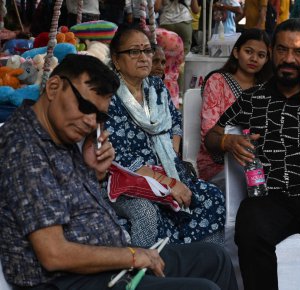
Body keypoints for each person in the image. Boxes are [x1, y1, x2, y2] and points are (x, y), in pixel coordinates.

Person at [0, 54, 238, 290]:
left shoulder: (59, 136)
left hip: (107, 263)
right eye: (85, 107)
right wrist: (132, 256)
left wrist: (92, 174)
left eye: (100, 116)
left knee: (214, 258)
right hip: (67, 280)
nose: (91, 122)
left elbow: (71, 205)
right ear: (53, 87)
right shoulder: (25, 146)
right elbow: (53, 255)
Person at [205, 19, 300, 290]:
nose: (289, 59)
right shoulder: (254, 98)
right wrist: (227, 142)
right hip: (271, 197)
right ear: (272, 51)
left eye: (299, 52)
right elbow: (211, 137)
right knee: (249, 228)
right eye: (282, 50)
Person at [106, 26, 226, 247]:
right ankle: (154, 274)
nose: (143, 57)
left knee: (212, 197)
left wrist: (169, 161)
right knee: (149, 213)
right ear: (116, 58)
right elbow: (120, 157)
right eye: (134, 52)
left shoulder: (156, 87)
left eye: (147, 50)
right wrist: (167, 181)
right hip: (131, 180)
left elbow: (175, 126)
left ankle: (205, 264)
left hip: (169, 170)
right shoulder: (109, 96)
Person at [197, 29, 271, 190]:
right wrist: (229, 141)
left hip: (259, 162)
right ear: (236, 52)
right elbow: (208, 133)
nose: (254, 59)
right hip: (219, 164)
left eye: (261, 55)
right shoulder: (217, 81)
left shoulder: (266, 88)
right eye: (248, 51)